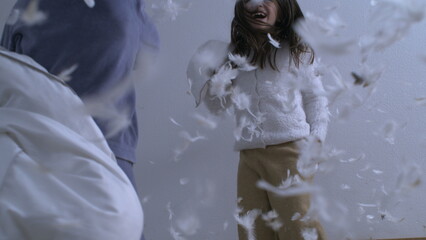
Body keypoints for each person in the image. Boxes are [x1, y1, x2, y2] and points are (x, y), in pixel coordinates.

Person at [1, 0, 159, 239]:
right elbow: (148, 49)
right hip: (110, 148)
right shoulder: (126, 5)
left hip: (39, 143)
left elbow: (13, 67)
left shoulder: (27, 5)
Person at [187, 0, 329, 239]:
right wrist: (214, 79)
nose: (257, 3)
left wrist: (316, 141)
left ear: (283, 7)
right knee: (252, 227)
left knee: (298, 225)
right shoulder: (236, 58)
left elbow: (316, 99)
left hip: (290, 152)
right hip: (249, 155)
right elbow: (218, 108)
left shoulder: (296, 52)